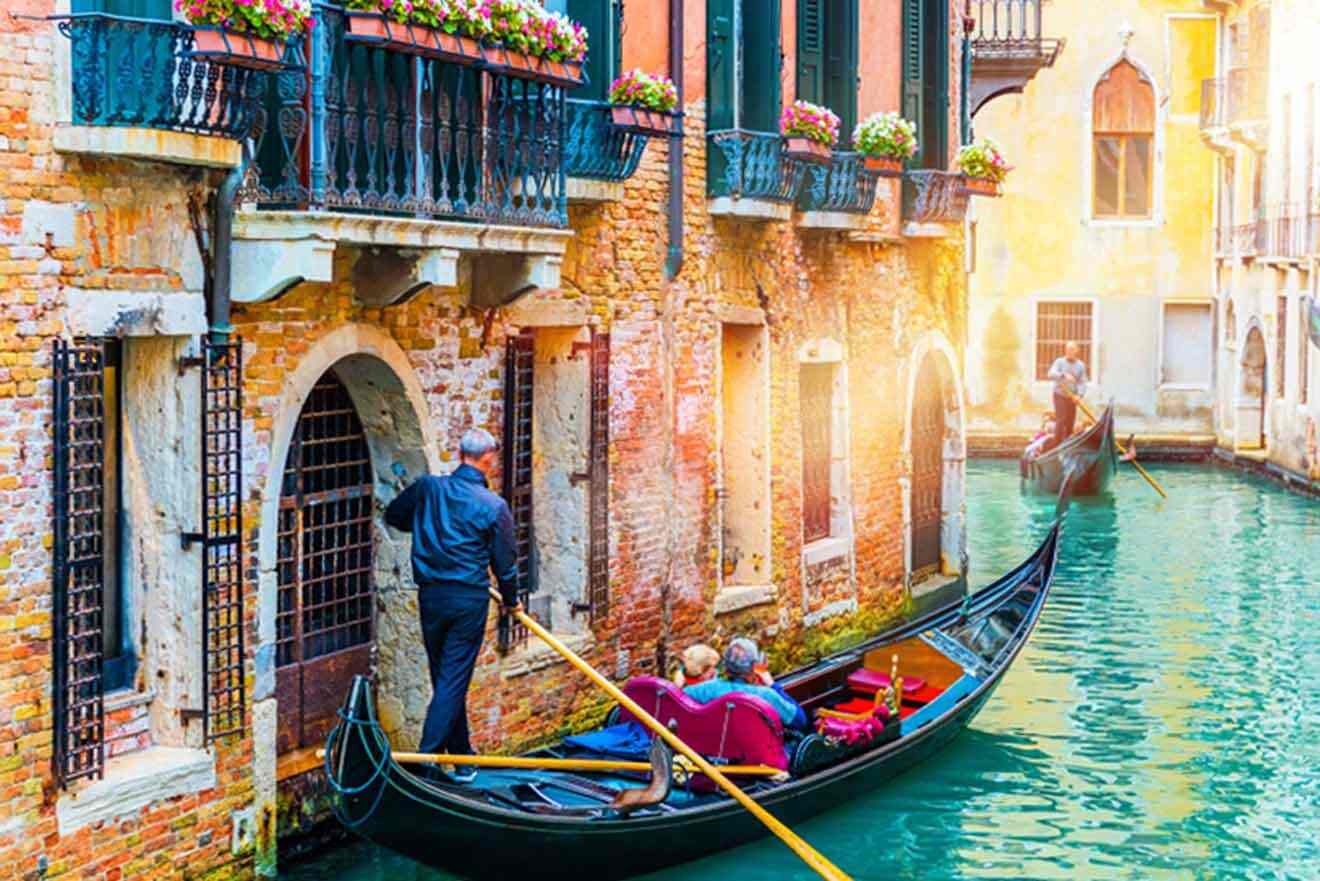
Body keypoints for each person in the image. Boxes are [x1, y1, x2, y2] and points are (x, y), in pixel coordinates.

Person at [384, 428, 520, 783]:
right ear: (488, 458)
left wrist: (430, 528)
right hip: (467, 600)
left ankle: (463, 761)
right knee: (452, 679)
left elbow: (394, 516)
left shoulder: (428, 489)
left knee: (447, 678)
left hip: (431, 597)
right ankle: (424, 760)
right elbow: (506, 565)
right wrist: (512, 602)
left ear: (460, 453)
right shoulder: (494, 507)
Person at [683, 638, 810, 732]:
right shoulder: (765, 695)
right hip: (767, 759)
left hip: (725, 757)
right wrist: (773, 685)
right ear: (753, 668)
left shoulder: (703, 690)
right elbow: (800, 721)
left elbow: (680, 695)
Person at [1047, 341, 1089, 449]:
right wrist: (1063, 375)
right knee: (1061, 420)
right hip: (1059, 394)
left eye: (1071, 349)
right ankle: (1056, 447)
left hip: (1072, 397)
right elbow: (1050, 373)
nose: (1068, 352)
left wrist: (1079, 395)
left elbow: (1082, 382)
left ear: (1076, 351)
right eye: (1067, 349)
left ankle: (1067, 446)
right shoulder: (1059, 362)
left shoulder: (1081, 365)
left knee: (1070, 421)